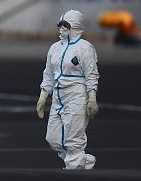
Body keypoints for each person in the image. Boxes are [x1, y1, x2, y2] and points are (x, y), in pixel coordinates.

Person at [36, 9, 99, 169]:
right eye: (60, 26)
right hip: (58, 98)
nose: (61, 30)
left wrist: (92, 98)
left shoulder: (85, 48)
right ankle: (81, 161)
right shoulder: (55, 48)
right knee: (53, 138)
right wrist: (43, 96)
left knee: (73, 140)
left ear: (75, 27)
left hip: (77, 96)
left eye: (66, 26)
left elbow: (92, 74)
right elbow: (48, 73)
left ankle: (74, 169)